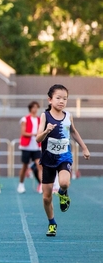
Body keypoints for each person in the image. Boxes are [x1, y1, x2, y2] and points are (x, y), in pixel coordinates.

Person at [36, 84, 90, 237]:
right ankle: (52, 223)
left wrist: (84, 147)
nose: (61, 101)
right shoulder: (45, 116)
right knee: (46, 197)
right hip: (48, 158)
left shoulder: (68, 116)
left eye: (65, 99)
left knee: (65, 182)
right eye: (58, 98)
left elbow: (73, 132)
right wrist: (46, 131)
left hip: (64, 157)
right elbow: (38, 138)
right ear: (50, 100)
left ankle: (62, 192)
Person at [18, 101, 43, 194]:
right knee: (25, 166)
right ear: (30, 108)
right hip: (26, 146)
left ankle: (41, 185)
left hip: (37, 147)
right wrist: (34, 134)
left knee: (39, 165)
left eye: (37, 107)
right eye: (33, 107)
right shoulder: (25, 119)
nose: (35, 109)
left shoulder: (40, 119)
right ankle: (21, 184)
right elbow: (23, 132)